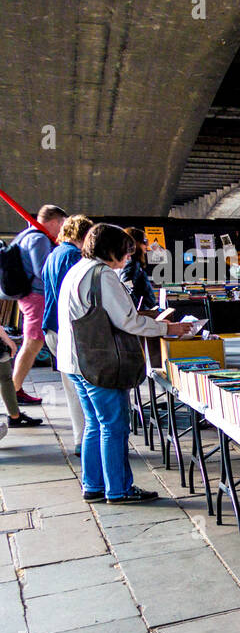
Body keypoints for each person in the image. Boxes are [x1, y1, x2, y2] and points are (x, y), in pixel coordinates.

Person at [59, 224, 189, 503]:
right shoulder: (103, 275)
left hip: (75, 361)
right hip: (99, 364)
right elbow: (127, 320)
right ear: (111, 249)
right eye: (126, 251)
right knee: (114, 427)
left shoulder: (77, 269)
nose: (129, 257)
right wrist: (167, 329)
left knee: (95, 424)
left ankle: (93, 485)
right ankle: (118, 489)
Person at [40, 214, 95, 446]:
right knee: (84, 390)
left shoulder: (54, 254)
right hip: (67, 330)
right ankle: (86, 441)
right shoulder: (73, 257)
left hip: (51, 326)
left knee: (72, 388)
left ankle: (80, 439)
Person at [9, 204, 67, 404]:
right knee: (33, 342)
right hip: (36, 296)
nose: (62, 230)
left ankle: (15, 390)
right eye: (62, 224)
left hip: (31, 295)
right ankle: (14, 390)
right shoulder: (39, 238)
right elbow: (43, 271)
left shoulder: (28, 235)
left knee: (33, 342)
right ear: (54, 221)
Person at [119, 227, 157, 309]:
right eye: (144, 241)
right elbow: (126, 287)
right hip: (141, 314)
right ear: (135, 243)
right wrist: (141, 308)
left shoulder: (131, 262)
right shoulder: (132, 263)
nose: (147, 245)